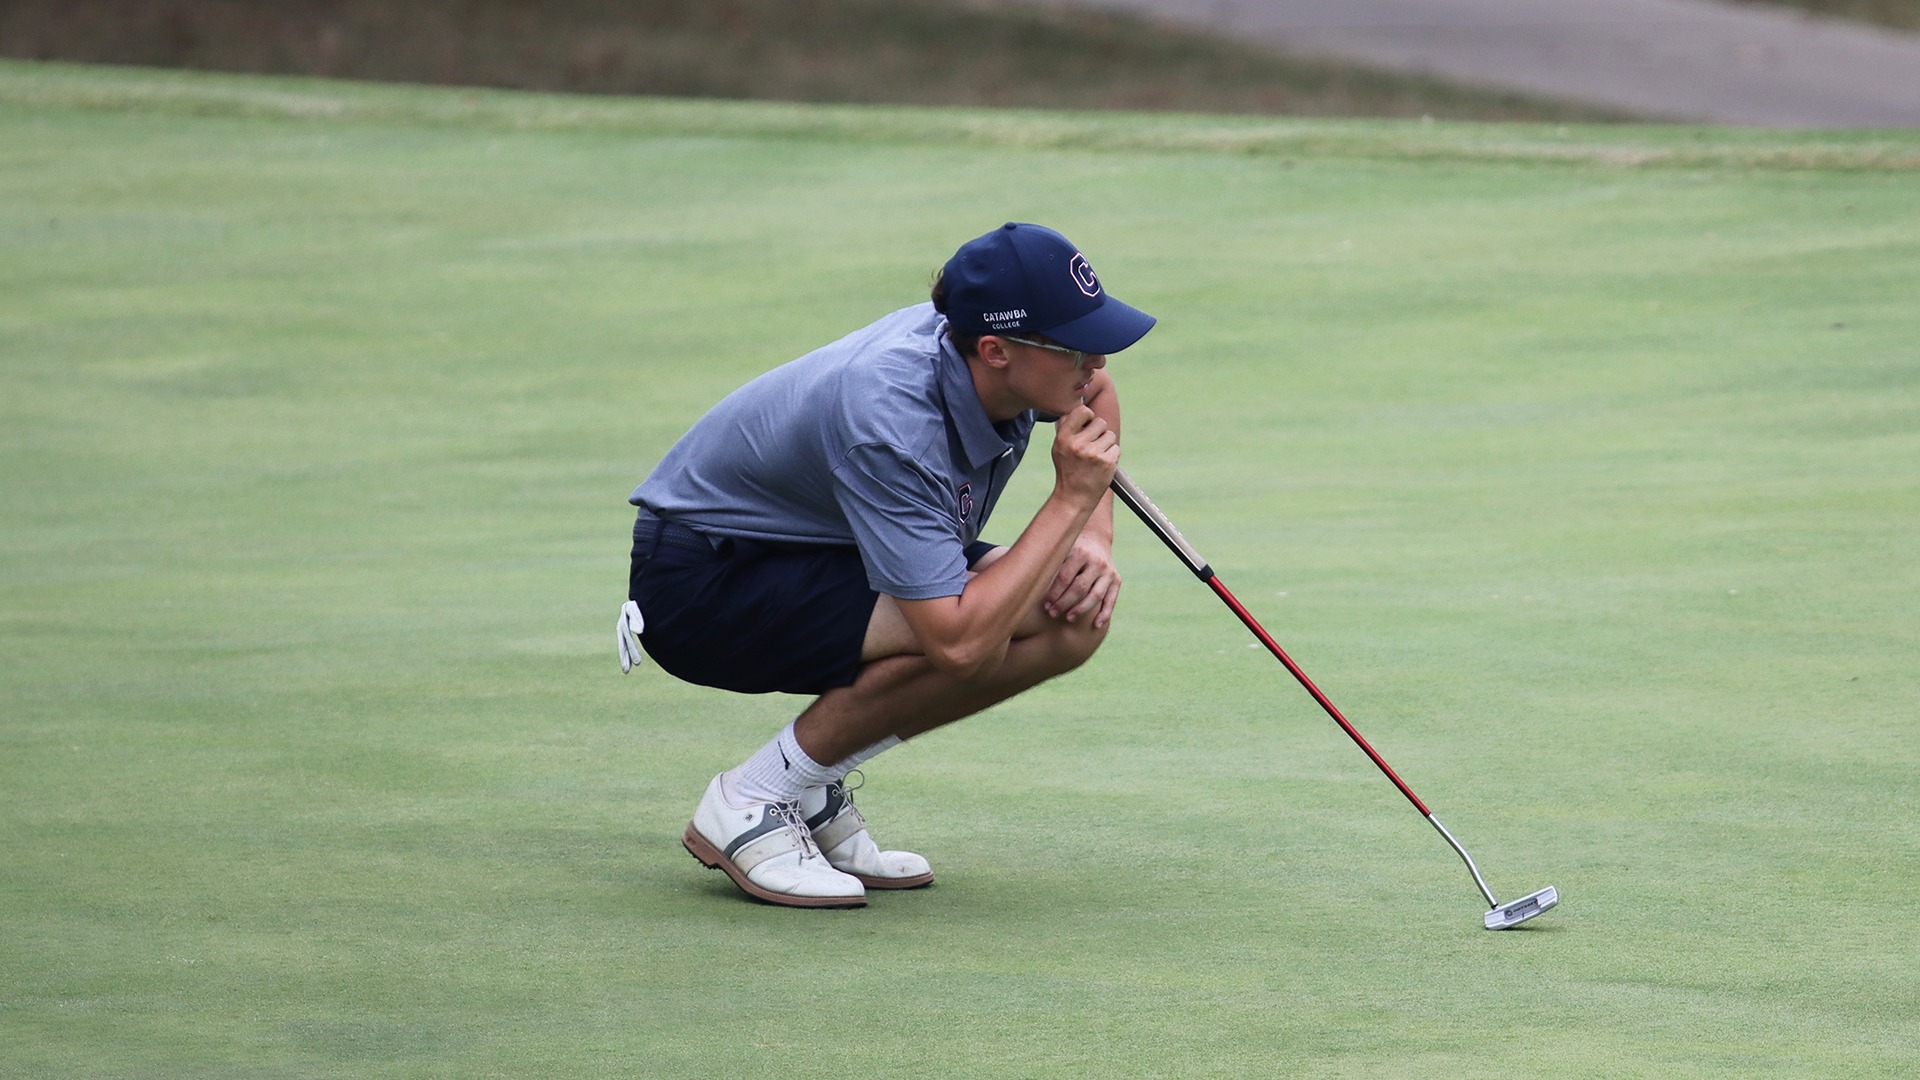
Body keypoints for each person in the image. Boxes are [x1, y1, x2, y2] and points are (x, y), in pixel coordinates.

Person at [618, 222, 1155, 908]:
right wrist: (1072, 499)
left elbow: (1098, 393)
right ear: (995, 350)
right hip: (707, 583)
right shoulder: (889, 415)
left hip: (818, 549)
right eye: (1074, 345)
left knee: (1070, 610)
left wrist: (1096, 537)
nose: (1095, 360)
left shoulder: (998, 360)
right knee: (980, 625)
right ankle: (752, 799)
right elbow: (957, 643)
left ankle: (807, 791)